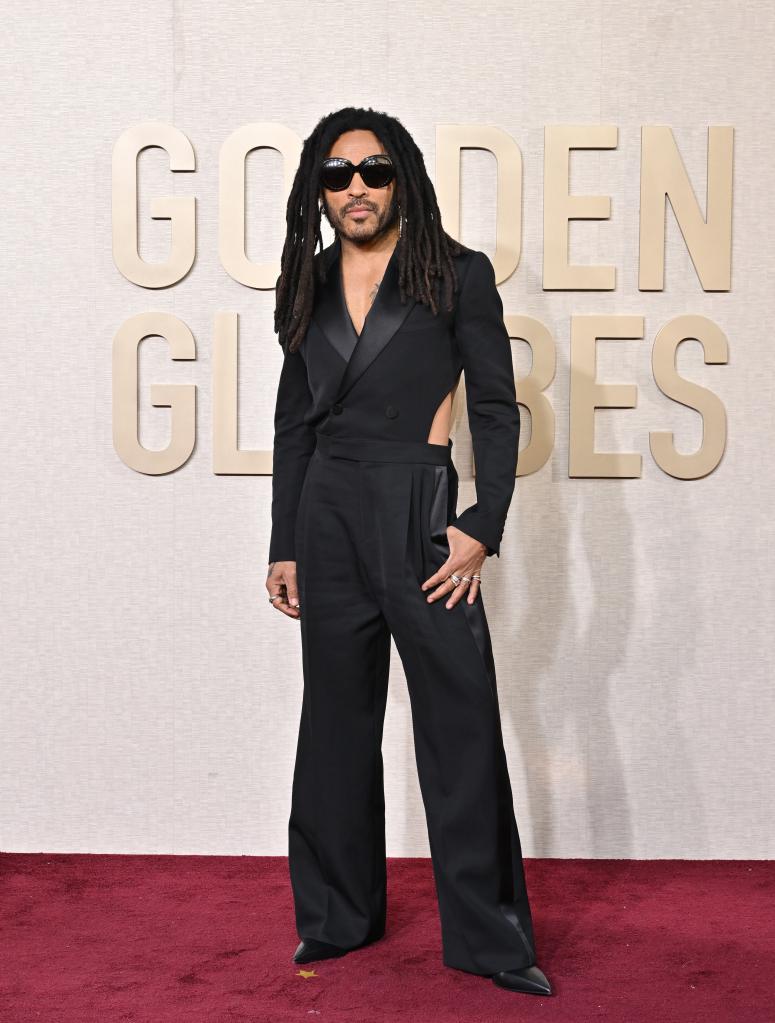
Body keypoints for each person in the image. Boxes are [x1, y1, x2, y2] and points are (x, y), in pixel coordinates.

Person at [265, 106, 552, 998]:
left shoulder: (454, 275)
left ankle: (490, 939)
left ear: (404, 179)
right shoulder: (306, 281)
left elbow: (498, 408)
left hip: (422, 508)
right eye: (337, 174)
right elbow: (294, 420)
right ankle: (339, 916)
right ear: (317, 189)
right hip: (328, 513)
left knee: (459, 724)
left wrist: (482, 521)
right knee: (335, 725)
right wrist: (285, 542)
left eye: (374, 171)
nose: (356, 188)